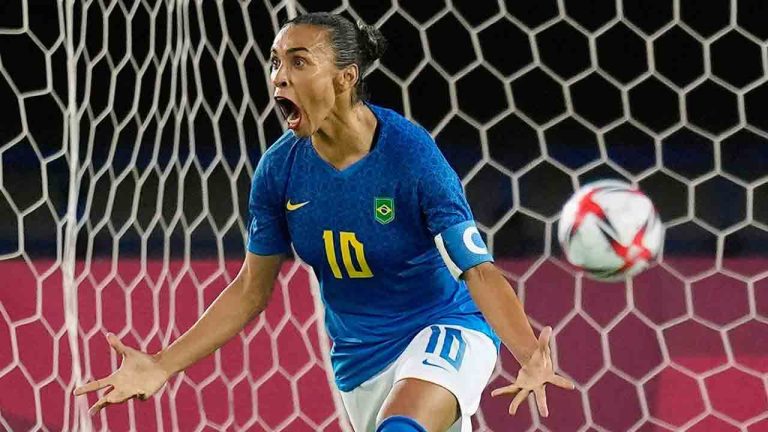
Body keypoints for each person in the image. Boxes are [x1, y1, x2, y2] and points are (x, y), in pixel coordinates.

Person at [74, 12, 573, 432]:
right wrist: (162, 364)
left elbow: (479, 270)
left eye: (298, 62)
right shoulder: (279, 171)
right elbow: (251, 289)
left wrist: (529, 352)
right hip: (360, 364)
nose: (279, 76)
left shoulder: (411, 157)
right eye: (275, 63)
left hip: (445, 327)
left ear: (346, 77)